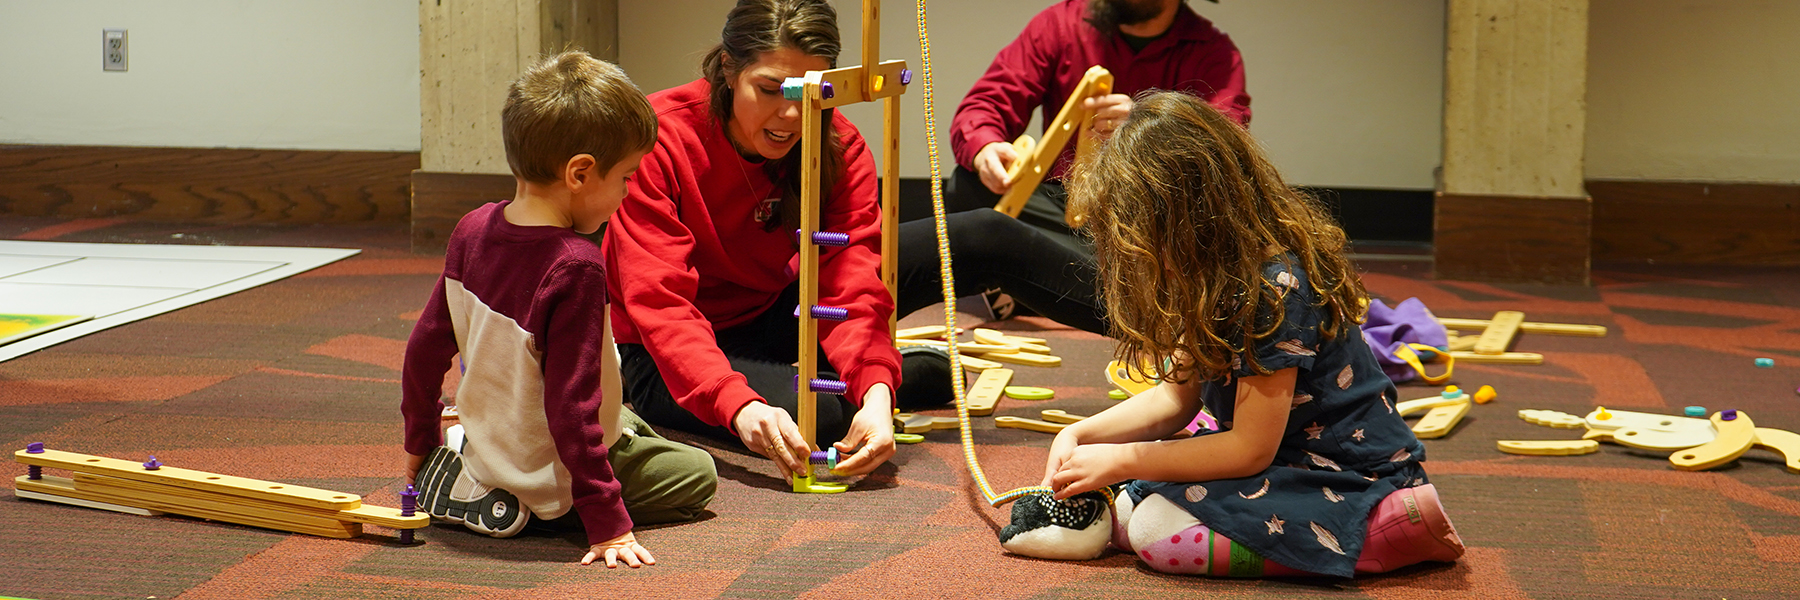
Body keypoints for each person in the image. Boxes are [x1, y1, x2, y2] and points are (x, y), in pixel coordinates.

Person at [1040, 91, 1464, 578]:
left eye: (1144, 231)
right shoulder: (1200, 275)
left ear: (1191, 217)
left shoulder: (1274, 289)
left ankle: (1379, 530)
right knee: (1137, 505)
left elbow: (1248, 450)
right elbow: (1173, 402)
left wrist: (1124, 462)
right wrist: (1077, 433)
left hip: (1345, 473)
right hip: (1281, 458)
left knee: (1155, 530)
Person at [401, 51, 718, 568]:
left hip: (491, 440)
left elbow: (424, 349)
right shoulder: (576, 267)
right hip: (547, 469)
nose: (628, 191)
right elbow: (572, 409)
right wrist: (607, 523)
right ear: (580, 173)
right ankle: (531, 511)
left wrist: (421, 440)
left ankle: (473, 467)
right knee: (697, 472)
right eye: (626, 178)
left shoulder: (472, 228)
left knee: (635, 424)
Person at [605, 0, 900, 483]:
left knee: (975, 239)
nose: (791, 114)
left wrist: (877, 392)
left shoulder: (837, 144)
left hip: (765, 309)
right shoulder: (656, 137)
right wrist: (736, 404)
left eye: (812, 93)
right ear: (728, 68)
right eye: (769, 89)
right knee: (822, 421)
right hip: (658, 350)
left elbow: (850, 281)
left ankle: (886, 377)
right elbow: (659, 304)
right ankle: (907, 372)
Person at [894, 0, 1250, 333]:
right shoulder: (1062, 23)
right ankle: (1086, 288)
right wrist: (986, 147)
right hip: (1063, 207)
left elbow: (1224, 152)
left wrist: (1146, 124)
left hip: (1150, 223)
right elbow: (987, 104)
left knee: (1185, 246)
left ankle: (1061, 289)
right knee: (970, 185)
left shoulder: (1214, 52)